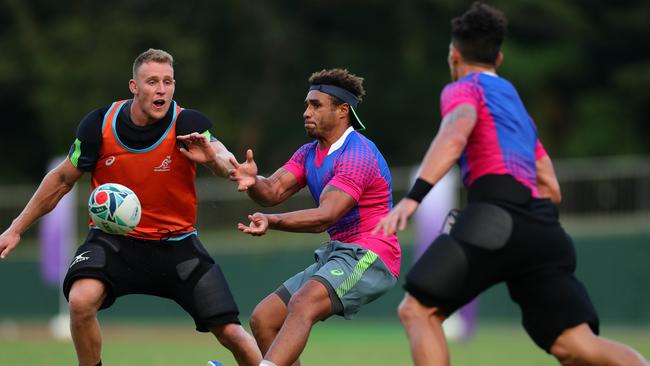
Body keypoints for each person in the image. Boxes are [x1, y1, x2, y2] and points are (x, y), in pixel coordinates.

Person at [373, 3, 649, 366]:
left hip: (494, 218)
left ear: (454, 55)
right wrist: (531, 223)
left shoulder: (462, 88)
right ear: (499, 59)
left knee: (418, 311)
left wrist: (413, 199)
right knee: (575, 344)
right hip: (544, 228)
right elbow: (550, 184)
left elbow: (456, 132)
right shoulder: (515, 105)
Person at [0, 48, 262, 366]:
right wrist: (16, 228)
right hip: (113, 242)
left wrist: (232, 168)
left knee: (232, 332)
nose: (161, 89)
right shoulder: (98, 125)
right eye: (152, 81)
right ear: (134, 87)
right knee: (80, 301)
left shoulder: (187, 123)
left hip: (176, 246)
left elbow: (217, 154)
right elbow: (60, 181)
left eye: (168, 81)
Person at [230, 68, 401, 366]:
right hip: (339, 253)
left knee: (303, 302)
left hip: (372, 255)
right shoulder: (309, 153)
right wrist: (252, 181)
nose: (306, 112)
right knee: (264, 319)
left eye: (316, 105)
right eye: (307, 104)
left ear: (343, 110)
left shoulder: (358, 154)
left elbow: (325, 217)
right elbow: (271, 191)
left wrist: (273, 221)